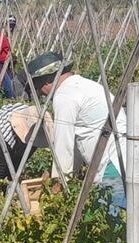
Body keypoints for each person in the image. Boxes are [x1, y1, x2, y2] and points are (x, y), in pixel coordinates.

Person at [19, 52, 127, 215]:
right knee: (131, 224)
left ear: (48, 79)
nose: (40, 92)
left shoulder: (64, 96)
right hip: (129, 160)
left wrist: (57, 189)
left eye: (38, 85)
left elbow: (64, 148)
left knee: (113, 230)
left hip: (113, 167)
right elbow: (76, 147)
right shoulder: (85, 86)